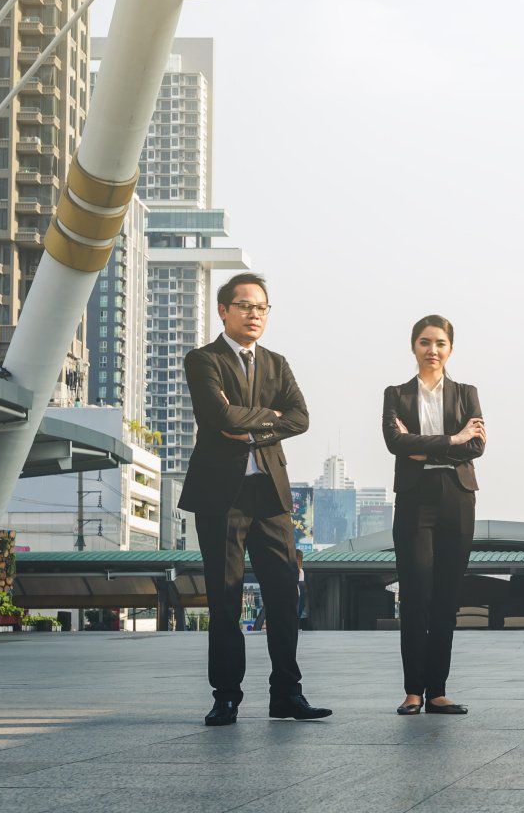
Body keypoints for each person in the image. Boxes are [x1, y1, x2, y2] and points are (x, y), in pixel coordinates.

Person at [179, 272, 330, 725]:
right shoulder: (203, 360)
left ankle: (287, 694)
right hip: (221, 494)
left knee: (284, 595)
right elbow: (217, 413)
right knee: (225, 597)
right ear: (223, 310)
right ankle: (226, 696)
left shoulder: (277, 363)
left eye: (261, 307)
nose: (254, 314)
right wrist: (269, 418)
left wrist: (248, 423)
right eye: (245, 305)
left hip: (271, 493)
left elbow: (301, 418)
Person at [381, 314, 485, 717]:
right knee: (415, 597)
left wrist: (424, 447)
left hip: (457, 497)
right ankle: (412, 691)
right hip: (414, 498)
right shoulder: (396, 394)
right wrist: (452, 439)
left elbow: (475, 447)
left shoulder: (466, 392)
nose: (432, 350)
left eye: (440, 343)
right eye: (425, 342)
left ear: (450, 349)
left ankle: (437, 690)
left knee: (445, 598)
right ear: (413, 347)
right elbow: (395, 442)